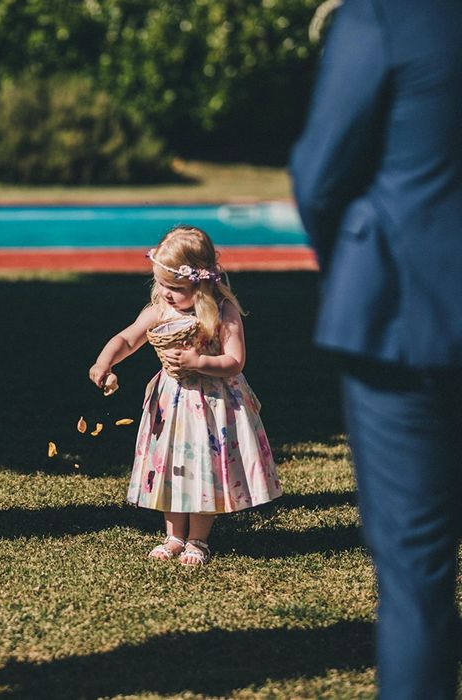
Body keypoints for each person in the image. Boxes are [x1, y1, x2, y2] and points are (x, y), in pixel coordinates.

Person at [290, 1, 462, 697]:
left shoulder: (386, 16)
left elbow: (321, 174)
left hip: (404, 323)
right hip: (402, 318)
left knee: (417, 576)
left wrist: (357, 268)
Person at [88, 226, 282, 565]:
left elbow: (235, 361)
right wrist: (104, 362)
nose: (165, 293)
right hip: (173, 404)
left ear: (202, 282)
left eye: (175, 287)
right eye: (161, 283)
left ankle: (198, 540)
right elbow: (127, 339)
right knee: (174, 466)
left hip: (212, 405)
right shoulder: (160, 311)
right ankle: (173, 535)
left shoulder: (223, 312)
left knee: (201, 467)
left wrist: (199, 361)